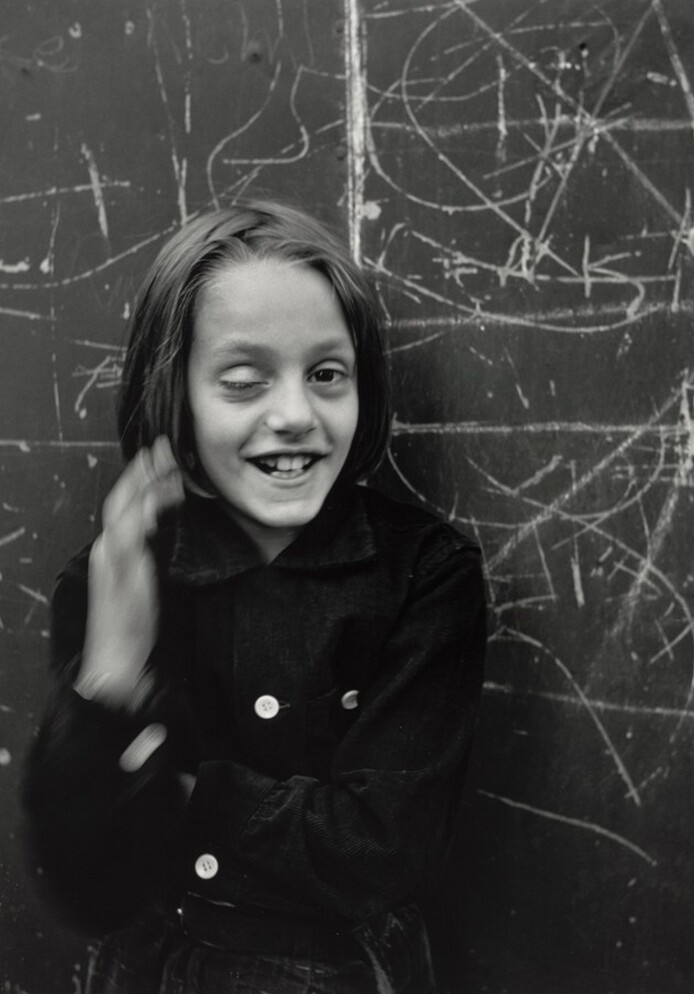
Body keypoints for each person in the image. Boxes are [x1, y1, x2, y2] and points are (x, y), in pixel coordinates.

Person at [22, 200, 486, 994]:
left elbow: (378, 850)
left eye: (326, 376)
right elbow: (80, 874)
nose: (295, 415)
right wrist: (112, 671)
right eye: (243, 382)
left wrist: (177, 793)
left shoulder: (424, 575)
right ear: (179, 397)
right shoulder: (117, 580)